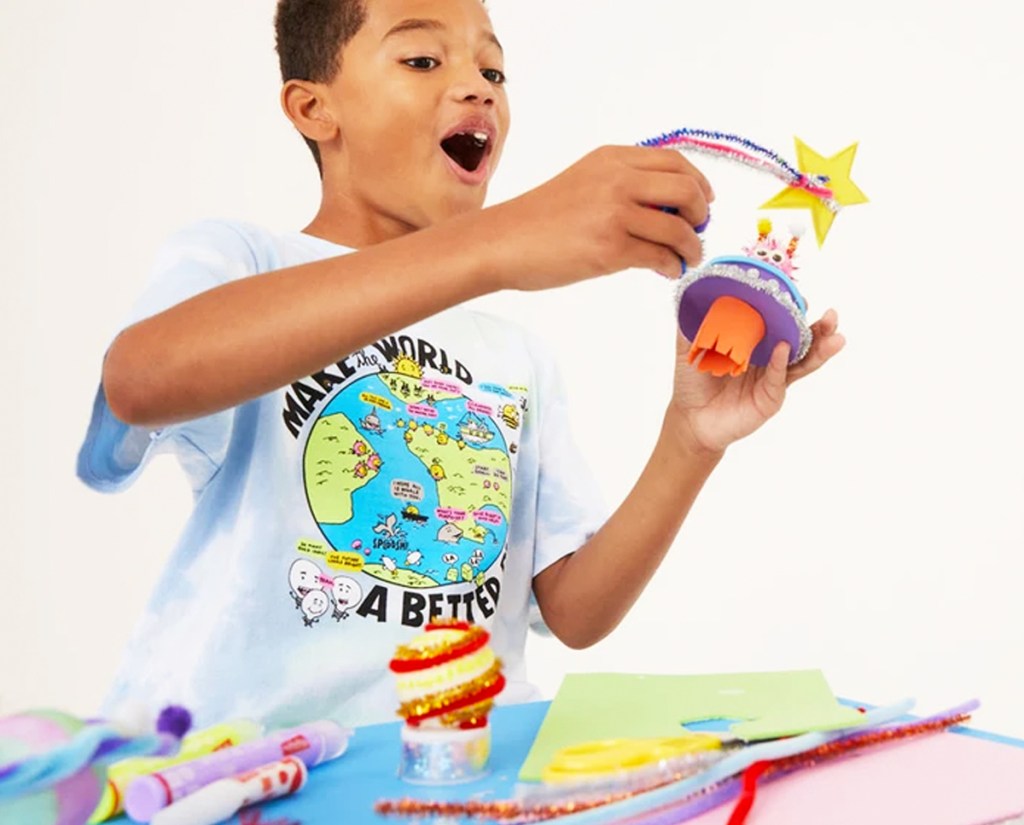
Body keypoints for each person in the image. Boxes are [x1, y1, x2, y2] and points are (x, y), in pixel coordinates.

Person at [77, 0, 844, 729]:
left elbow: (574, 612)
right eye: (420, 58)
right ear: (315, 109)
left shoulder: (517, 355)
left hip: (462, 767)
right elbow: (141, 378)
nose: (477, 86)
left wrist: (690, 439)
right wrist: (494, 245)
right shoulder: (247, 261)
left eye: (495, 71)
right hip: (251, 768)